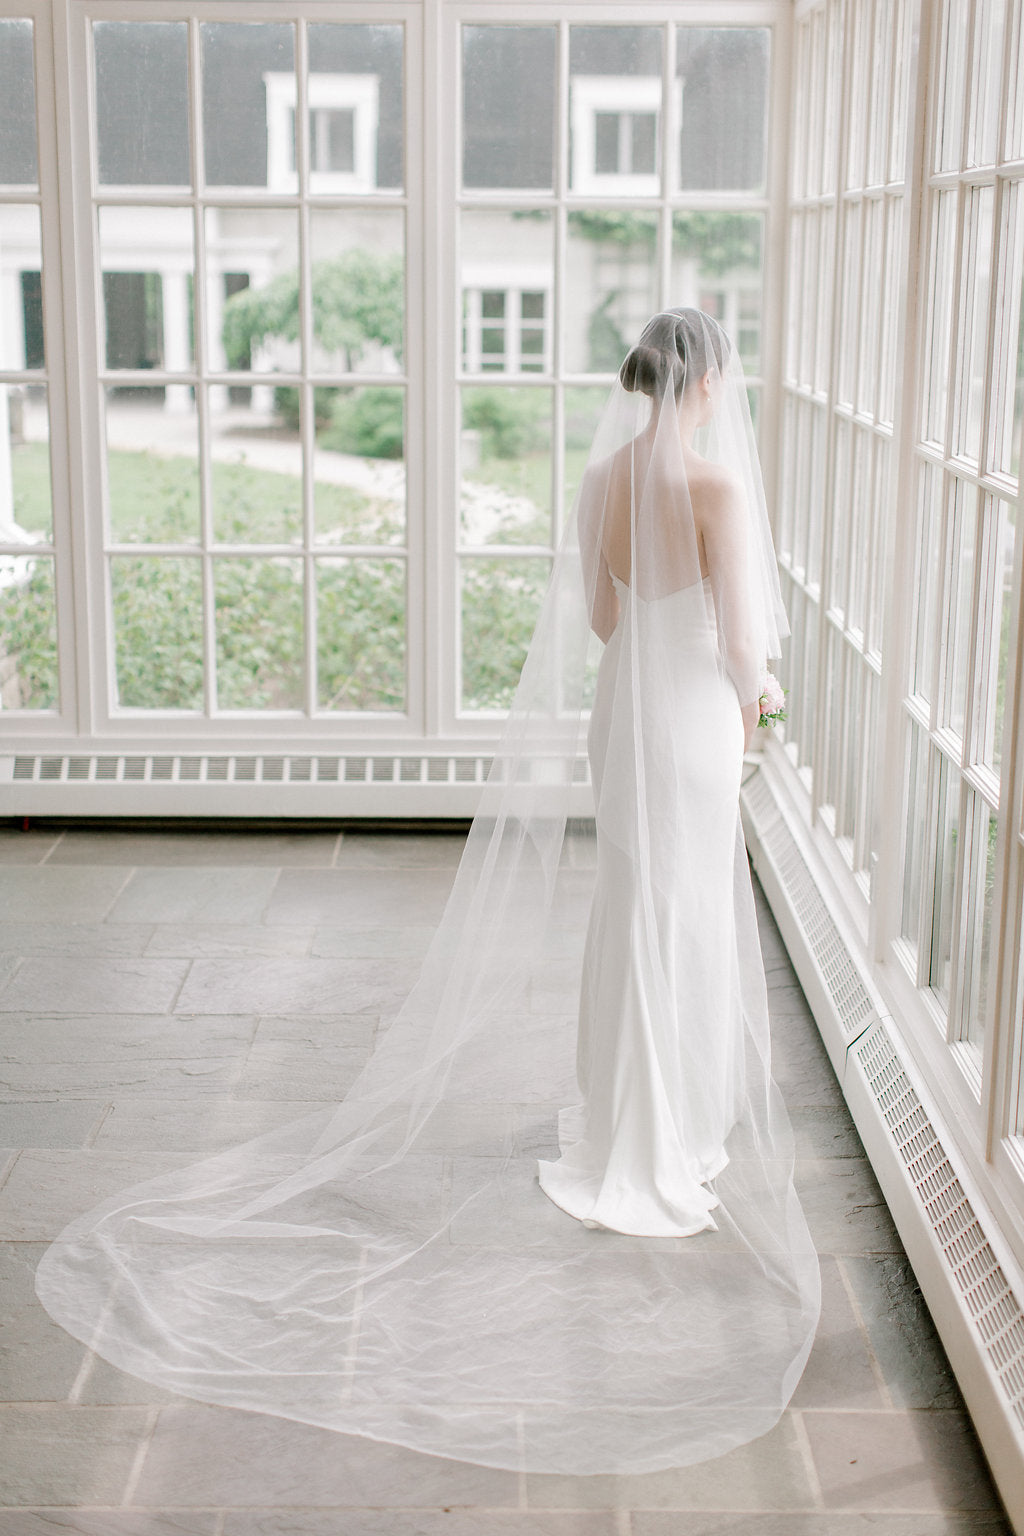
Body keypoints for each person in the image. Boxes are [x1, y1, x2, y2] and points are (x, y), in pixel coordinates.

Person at [35, 309, 820, 1477]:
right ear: (702, 380)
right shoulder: (718, 491)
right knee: (688, 914)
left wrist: (693, 646)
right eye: (722, 379)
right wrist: (766, 701)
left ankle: (623, 1126)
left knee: (629, 905)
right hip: (693, 720)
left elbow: (603, 619)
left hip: (626, 713)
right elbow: (745, 648)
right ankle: (672, 1134)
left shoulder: (603, 475)